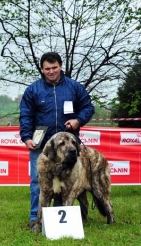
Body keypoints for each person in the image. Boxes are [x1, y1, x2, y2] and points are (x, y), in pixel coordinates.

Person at [19, 52, 95, 228]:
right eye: (47, 68)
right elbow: (26, 115)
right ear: (42, 69)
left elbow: (88, 107)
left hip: (67, 147)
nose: (51, 71)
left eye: (54, 68)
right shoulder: (33, 90)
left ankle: (57, 217)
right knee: (38, 182)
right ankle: (34, 218)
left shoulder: (75, 87)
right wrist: (26, 137)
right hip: (42, 147)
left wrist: (78, 120)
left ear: (60, 66)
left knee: (65, 182)